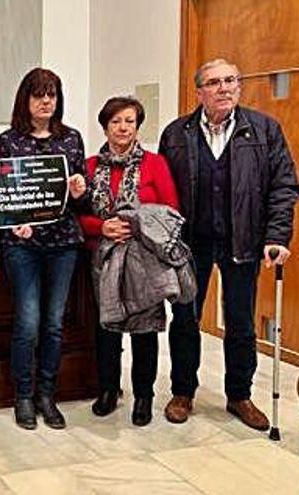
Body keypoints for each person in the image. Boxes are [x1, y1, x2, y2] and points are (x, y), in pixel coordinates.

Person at [159, 58, 299, 430]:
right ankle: (183, 391)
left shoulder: (265, 130)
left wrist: (277, 236)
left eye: (231, 81)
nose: (224, 88)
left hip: (244, 240)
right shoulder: (177, 133)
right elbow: (163, 191)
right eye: (215, 82)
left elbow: (284, 186)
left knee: (240, 321)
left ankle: (239, 395)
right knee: (185, 319)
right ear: (199, 91)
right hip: (191, 244)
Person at [0, 68, 87, 430]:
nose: (46, 101)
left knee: (54, 324)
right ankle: (24, 395)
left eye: (52, 95)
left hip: (63, 244)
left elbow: (82, 197)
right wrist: (11, 222)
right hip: (22, 246)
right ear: (25, 100)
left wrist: (81, 189)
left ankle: (48, 394)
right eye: (39, 95)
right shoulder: (7, 141)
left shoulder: (72, 139)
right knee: (28, 323)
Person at [80, 96, 180, 426]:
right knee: (107, 328)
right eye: (116, 122)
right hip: (104, 258)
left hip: (144, 260)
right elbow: (77, 217)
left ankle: (144, 396)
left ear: (138, 126)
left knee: (144, 330)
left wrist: (137, 227)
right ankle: (109, 390)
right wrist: (102, 226)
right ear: (105, 126)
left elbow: (171, 213)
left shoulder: (155, 164)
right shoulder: (91, 166)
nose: (123, 128)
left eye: (130, 121)